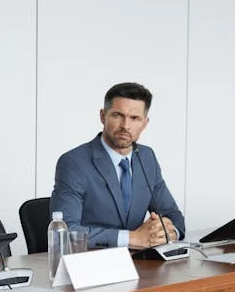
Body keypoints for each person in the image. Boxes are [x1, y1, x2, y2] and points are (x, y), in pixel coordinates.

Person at [50, 82, 185, 249]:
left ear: (145, 123)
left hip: (139, 263)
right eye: (117, 115)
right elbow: (65, 231)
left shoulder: (146, 156)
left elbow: (173, 216)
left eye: (135, 118)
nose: (125, 126)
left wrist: (168, 232)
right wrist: (132, 238)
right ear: (102, 116)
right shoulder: (74, 162)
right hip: (89, 263)